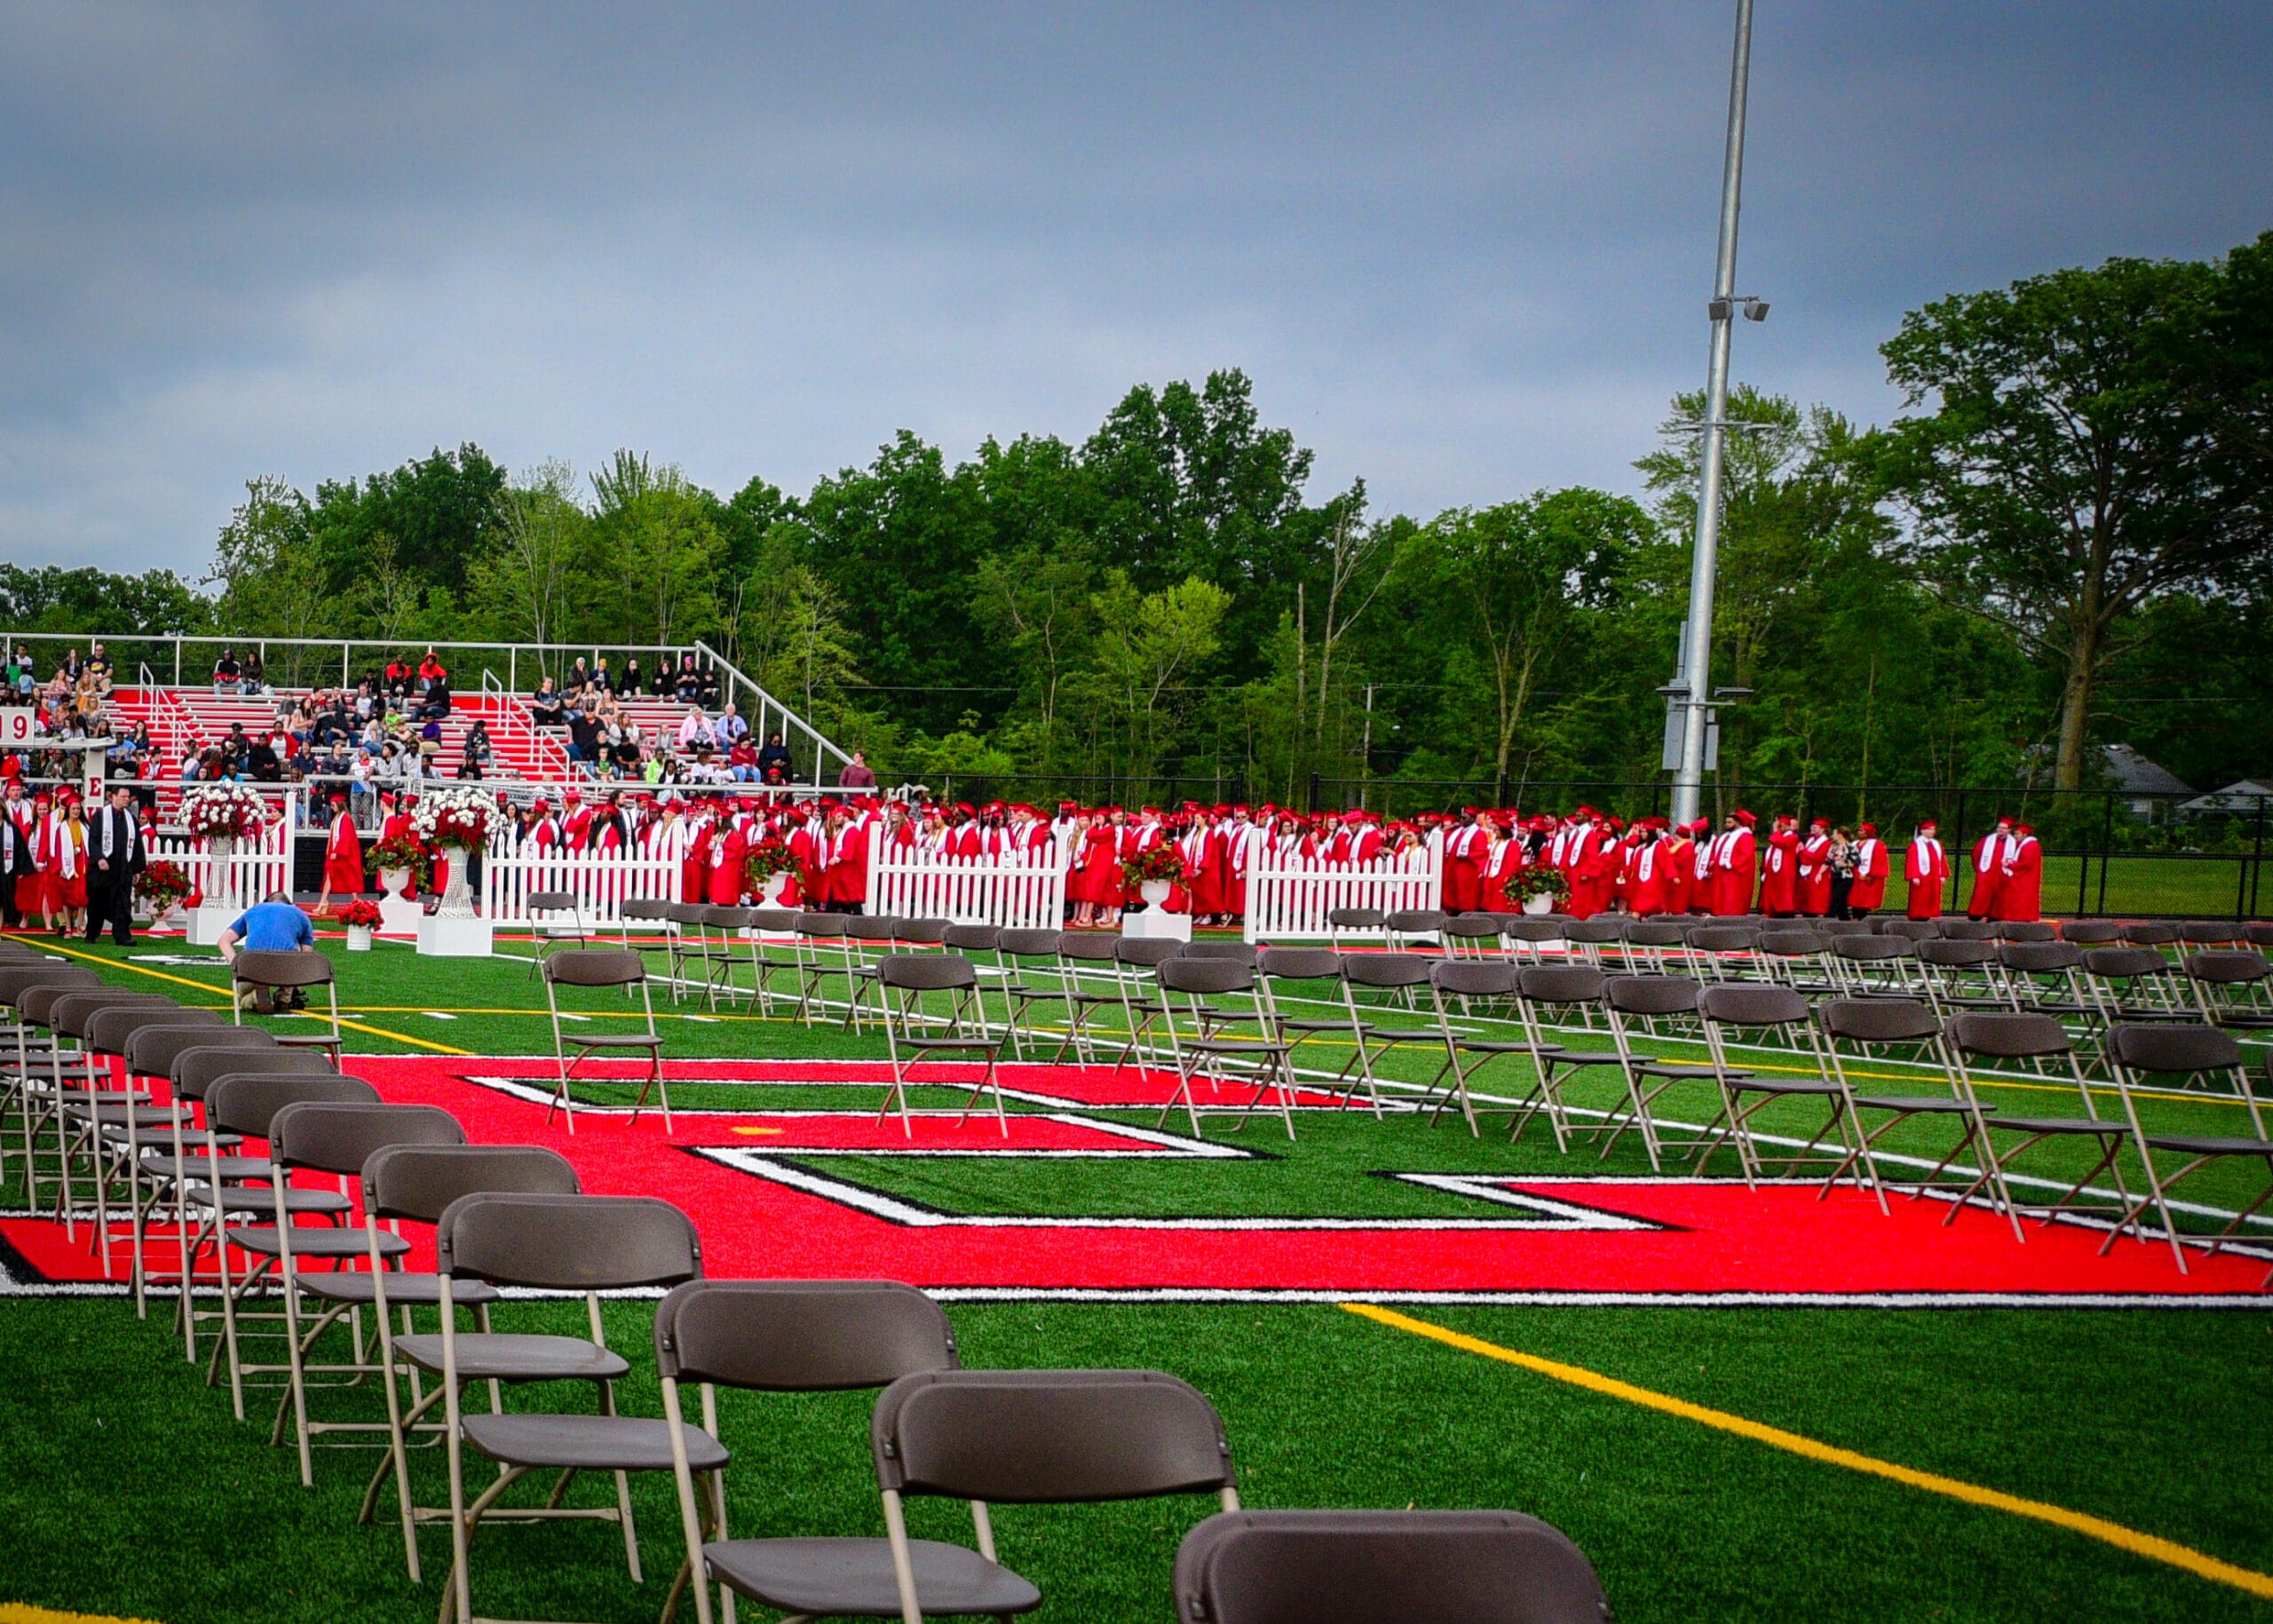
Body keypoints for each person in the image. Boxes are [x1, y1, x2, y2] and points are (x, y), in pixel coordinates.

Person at [218, 887, 317, 1010]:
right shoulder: (301, 915)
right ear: (290, 904)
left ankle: (254, 997)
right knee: (294, 956)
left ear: (265, 902)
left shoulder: (254, 910)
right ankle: (284, 997)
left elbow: (224, 941)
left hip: (252, 965)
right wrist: (295, 983)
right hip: (284, 968)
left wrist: (237, 965)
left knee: (243, 996)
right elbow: (306, 954)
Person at [83, 783, 147, 945]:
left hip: (122, 869)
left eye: (128, 797)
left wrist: (137, 869)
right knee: (98, 903)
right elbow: (93, 840)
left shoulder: (131, 819)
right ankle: (92, 934)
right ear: (113, 797)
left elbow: (137, 844)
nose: (126, 799)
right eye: (123, 796)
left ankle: (122, 936)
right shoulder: (100, 816)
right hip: (103, 870)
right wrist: (99, 858)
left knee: (122, 903)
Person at [1995, 823, 2044, 923]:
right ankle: (2020, 917)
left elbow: (2025, 864)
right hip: (2026, 877)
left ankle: (2021, 918)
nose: (2015, 836)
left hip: (2025, 878)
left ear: (2025, 835)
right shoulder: (2028, 845)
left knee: (2022, 899)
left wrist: (2009, 865)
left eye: (2017, 834)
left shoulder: (2030, 846)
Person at [1968, 818, 2012, 921]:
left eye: (2004, 828)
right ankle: (1976, 915)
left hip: (2003, 875)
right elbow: (1976, 854)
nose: (2001, 830)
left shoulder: (2013, 843)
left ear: (2009, 830)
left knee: (1999, 897)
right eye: (1999, 827)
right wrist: (1980, 870)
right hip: (1986, 874)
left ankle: (1995, 917)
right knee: (1981, 895)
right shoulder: (1986, 841)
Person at [1905, 820, 1947, 919]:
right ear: (1922, 831)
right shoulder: (1915, 845)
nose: (1932, 831)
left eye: (1933, 829)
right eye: (1929, 829)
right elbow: (1912, 861)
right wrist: (1914, 876)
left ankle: (1928, 914)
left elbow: (1942, 859)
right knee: (1920, 897)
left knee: (1932, 896)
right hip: (1922, 877)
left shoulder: (1937, 844)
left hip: (1934, 875)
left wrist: (1943, 874)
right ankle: (1918, 916)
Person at [1847, 823, 1889, 917]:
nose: (1859, 832)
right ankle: (1855, 919)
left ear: (1868, 832)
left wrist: (1870, 876)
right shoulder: (1854, 843)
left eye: (1861, 830)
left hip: (1866, 876)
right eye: (1858, 830)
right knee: (1854, 900)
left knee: (1864, 901)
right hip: (1854, 876)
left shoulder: (1877, 845)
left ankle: (1860, 920)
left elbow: (1879, 862)